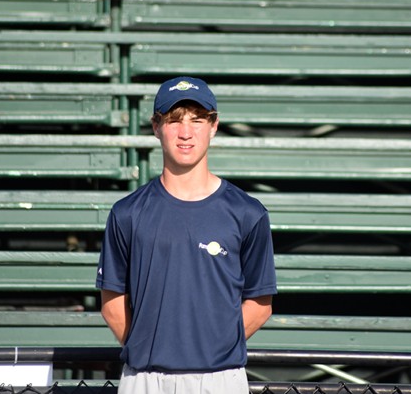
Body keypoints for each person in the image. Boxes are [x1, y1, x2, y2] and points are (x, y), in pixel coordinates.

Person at [96, 76, 278, 394]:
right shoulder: (127, 213)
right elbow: (112, 301)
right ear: (156, 126)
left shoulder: (247, 212)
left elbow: (260, 302)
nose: (185, 132)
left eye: (197, 120)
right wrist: (149, 347)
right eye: (174, 120)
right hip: (145, 379)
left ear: (214, 125)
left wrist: (212, 349)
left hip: (220, 378)